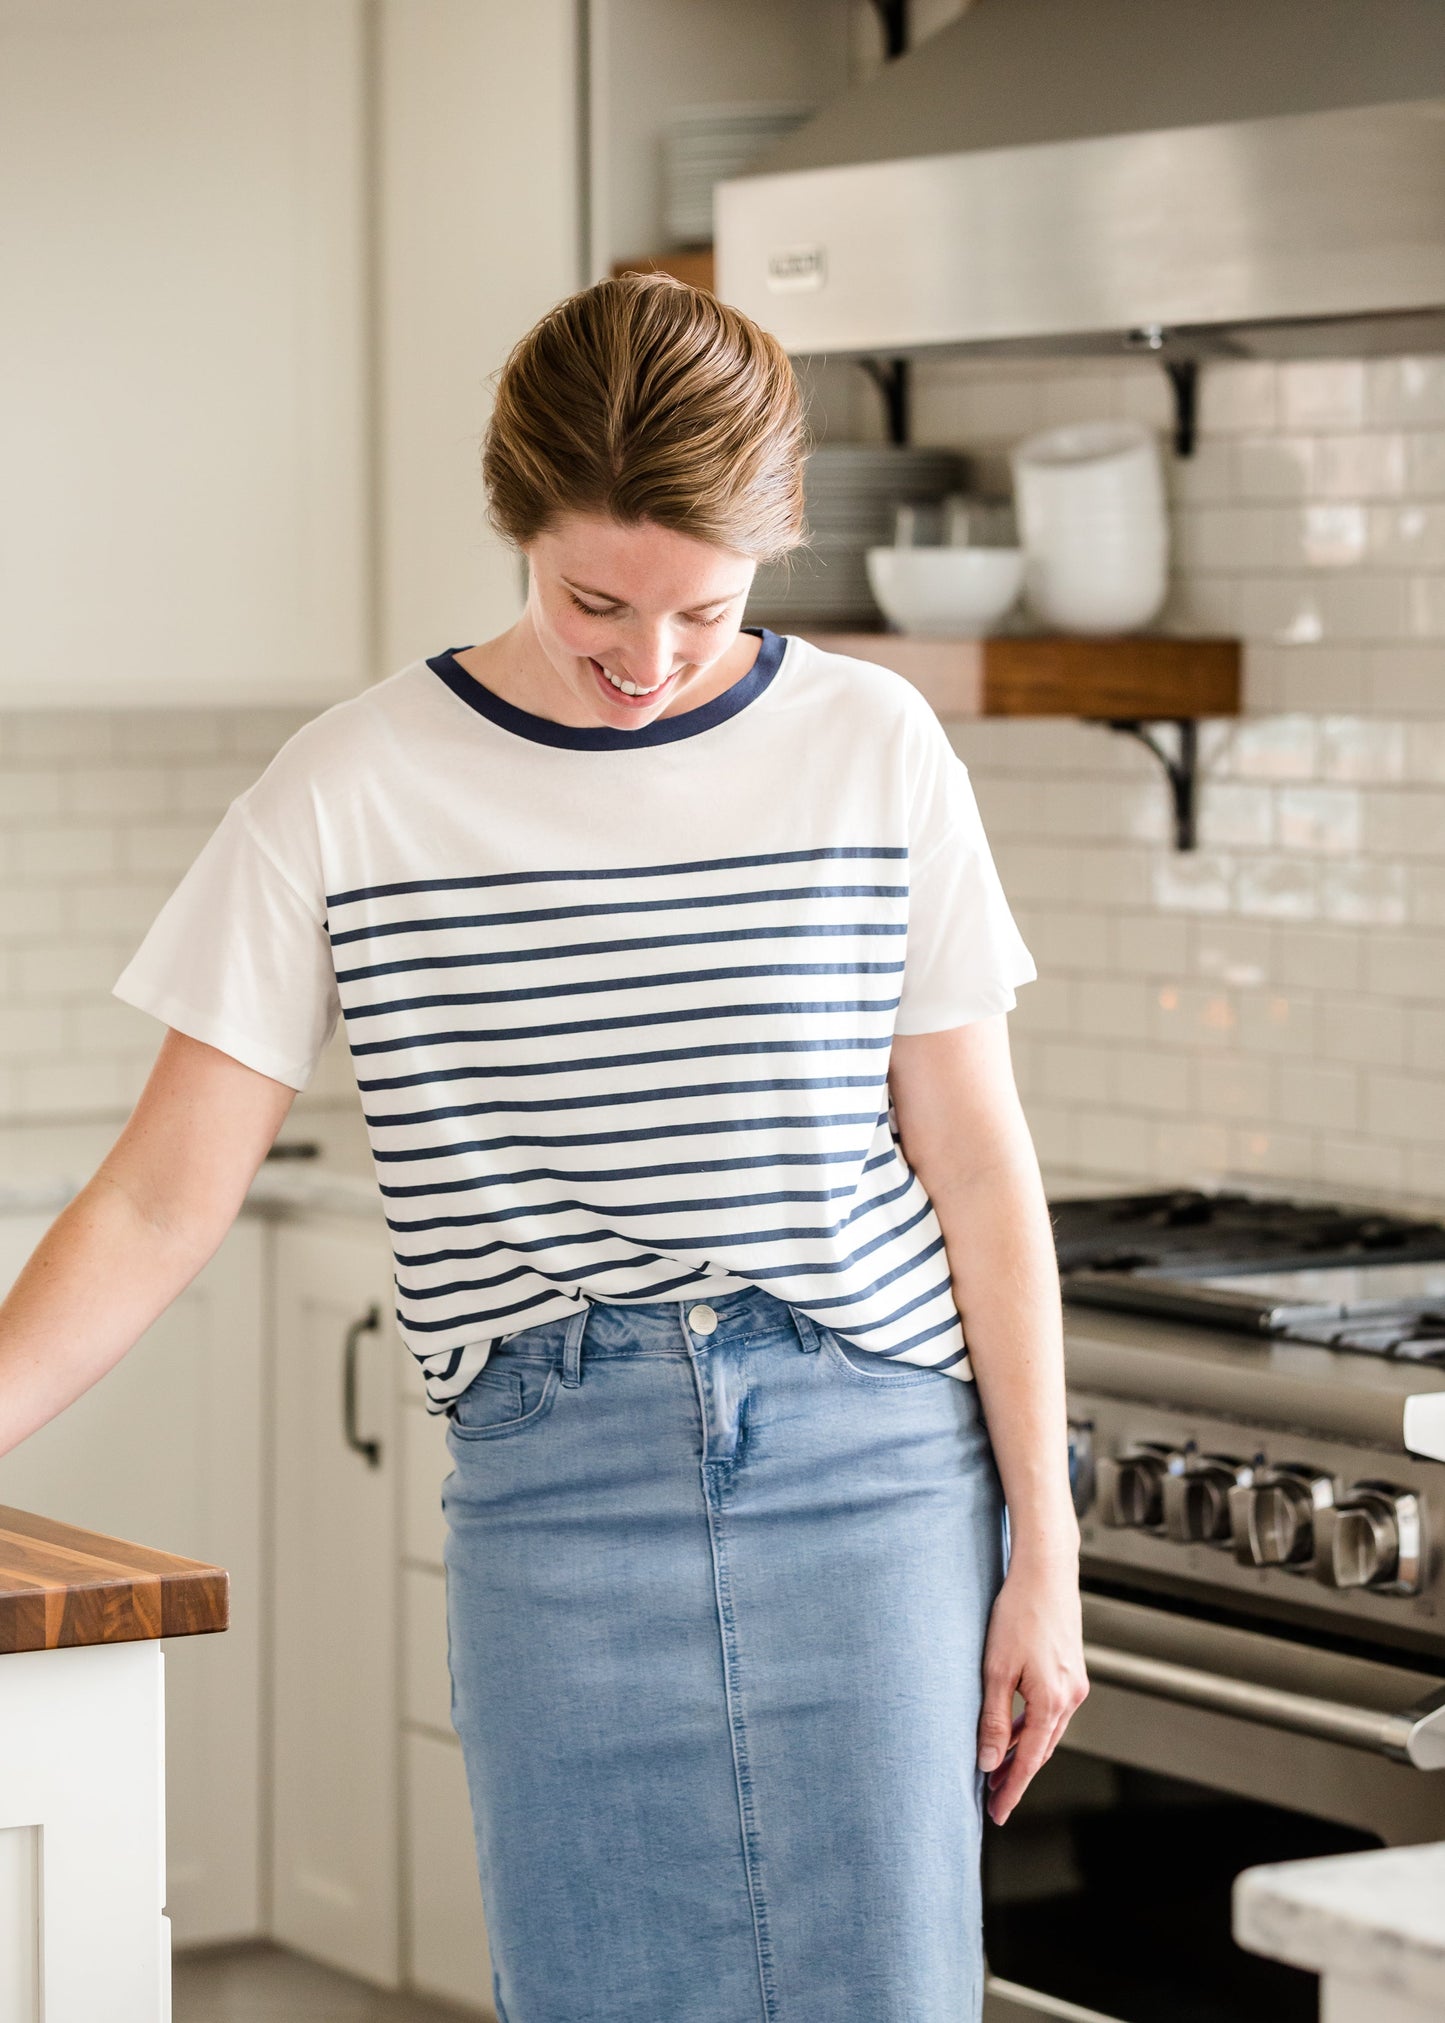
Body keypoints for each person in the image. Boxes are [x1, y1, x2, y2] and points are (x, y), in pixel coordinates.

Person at [0, 272, 1086, 2023]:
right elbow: (153, 1199)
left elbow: (973, 1160)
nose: (650, 666)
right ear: (516, 527)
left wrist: (1046, 1546)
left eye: (706, 614)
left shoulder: (872, 748)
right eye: (598, 602)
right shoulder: (348, 790)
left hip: (871, 1475)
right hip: (555, 1487)